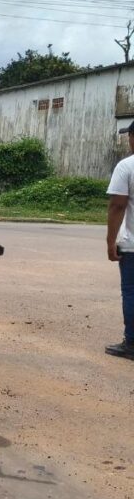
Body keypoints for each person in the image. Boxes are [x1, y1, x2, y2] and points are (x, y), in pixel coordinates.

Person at [106, 121, 134, 360]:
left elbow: (118, 205)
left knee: (132, 292)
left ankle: (132, 343)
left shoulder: (127, 166)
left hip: (133, 246)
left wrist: (110, 241)